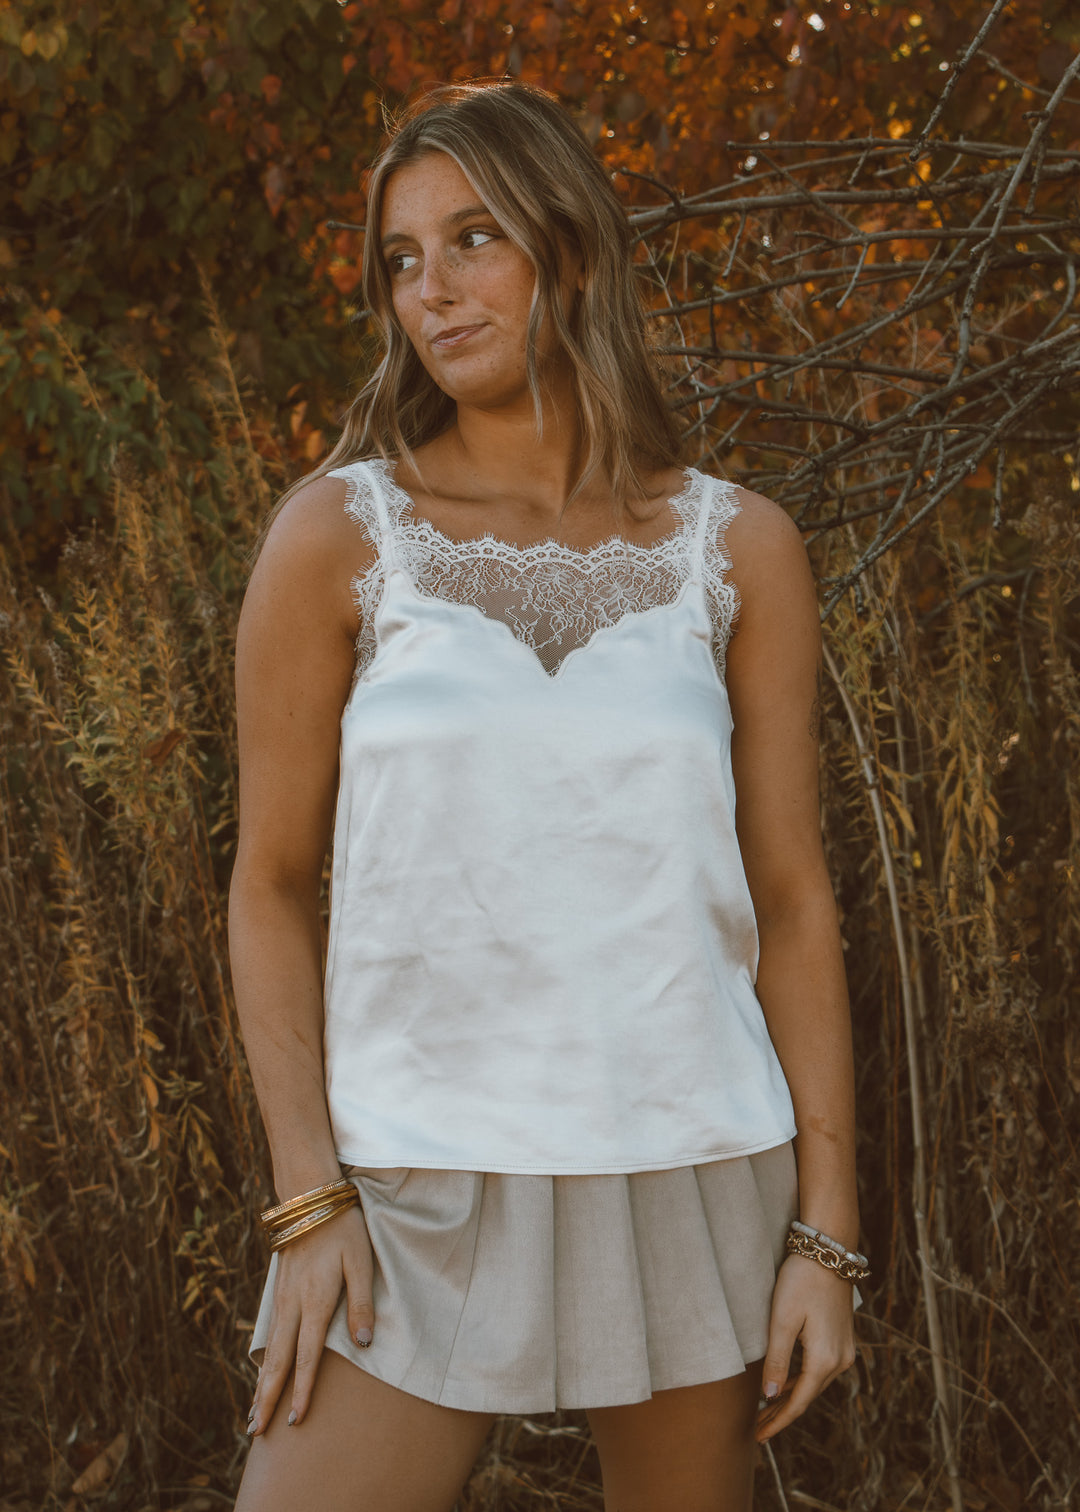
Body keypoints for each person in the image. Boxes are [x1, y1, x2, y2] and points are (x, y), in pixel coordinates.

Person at [228, 80, 863, 1512]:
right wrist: (310, 1201)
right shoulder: (341, 534)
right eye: (401, 259)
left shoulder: (737, 545)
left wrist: (827, 1231)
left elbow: (793, 899)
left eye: (474, 240)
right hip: (415, 1183)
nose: (432, 292)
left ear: (568, 248)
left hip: (689, 1160)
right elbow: (267, 885)